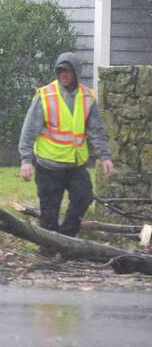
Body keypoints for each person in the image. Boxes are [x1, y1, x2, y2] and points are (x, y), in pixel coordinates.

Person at [18, 52, 115, 240]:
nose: (64, 74)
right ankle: (48, 251)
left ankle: (66, 241)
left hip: (76, 166)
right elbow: (29, 130)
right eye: (61, 70)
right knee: (49, 214)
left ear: (77, 73)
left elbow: (96, 131)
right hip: (48, 167)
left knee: (84, 198)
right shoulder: (45, 95)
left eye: (68, 71)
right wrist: (26, 160)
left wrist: (105, 157)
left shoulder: (87, 97)